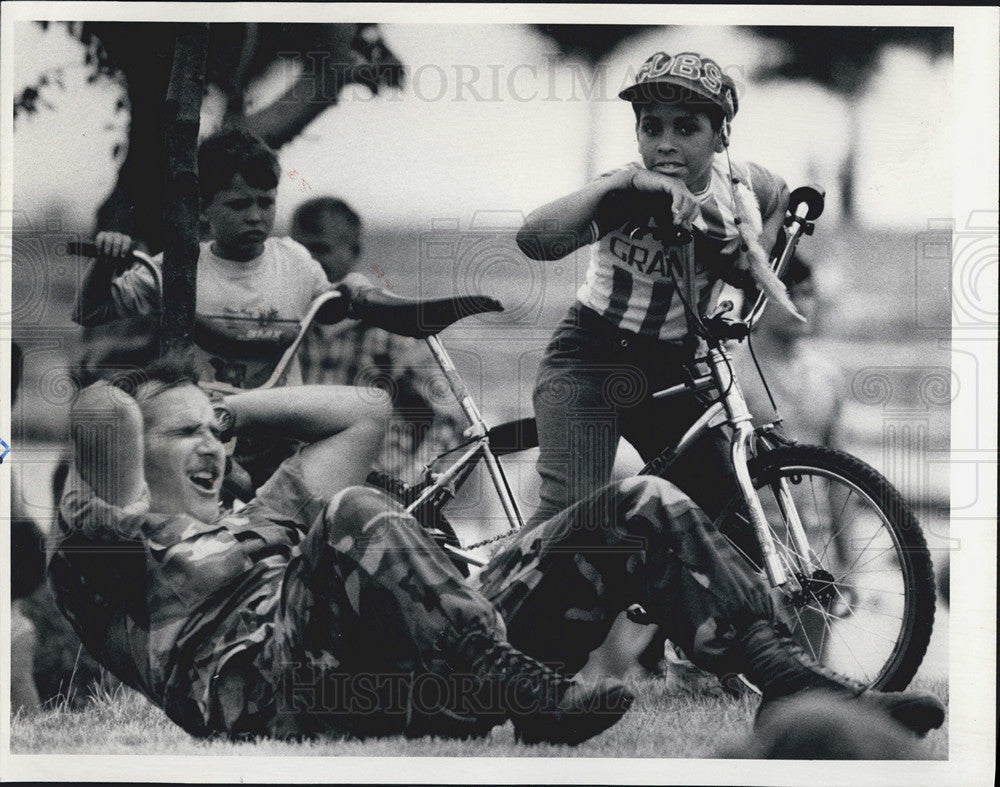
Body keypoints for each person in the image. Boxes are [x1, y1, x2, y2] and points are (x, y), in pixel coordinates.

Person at [48, 354, 946, 744]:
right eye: (185, 438)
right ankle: (508, 679)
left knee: (634, 502)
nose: (211, 450)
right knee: (359, 508)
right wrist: (141, 405)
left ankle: (783, 678)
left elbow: (364, 409)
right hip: (290, 687)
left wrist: (223, 403)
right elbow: (99, 414)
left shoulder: (265, 518)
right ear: (133, 456)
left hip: (432, 671)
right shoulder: (111, 559)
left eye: (216, 435)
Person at [516, 49, 800, 684]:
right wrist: (616, 184)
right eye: (651, 127)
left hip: (672, 368)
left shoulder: (742, 187)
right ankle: (496, 646)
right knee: (572, 514)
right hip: (588, 357)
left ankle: (696, 652)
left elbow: (781, 199)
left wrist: (739, 271)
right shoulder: (629, 190)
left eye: (685, 127)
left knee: (726, 507)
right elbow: (535, 238)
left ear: (721, 132)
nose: (665, 144)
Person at [73, 128, 339, 488]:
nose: (255, 217)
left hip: (280, 439)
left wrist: (356, 289)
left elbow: (334, 309)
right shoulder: (180, 268)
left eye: (266, 202)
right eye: (239, 205)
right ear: (202, 209)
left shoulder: (296, 263)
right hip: (205, 438)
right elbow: (90, 313)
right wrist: (106, 260)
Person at [289, 197, 463, 481]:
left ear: (353, 252)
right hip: (293, 484)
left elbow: (447, 418)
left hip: (370, 485)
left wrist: (410, 481)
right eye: (299, 250)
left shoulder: (388, 329)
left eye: (321, 249)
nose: (310, 262)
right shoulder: (288, 322)